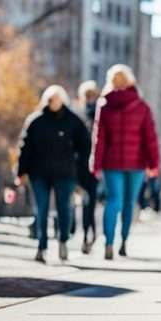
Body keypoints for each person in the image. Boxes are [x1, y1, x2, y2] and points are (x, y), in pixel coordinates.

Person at [91, 65, 160, 260]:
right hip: (137, 163)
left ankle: (109, 242)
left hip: (111, 163)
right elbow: (150, 138)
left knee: (113, 201)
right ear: (130, 81)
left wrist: (95, 164)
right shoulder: (142, 106)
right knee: (130, 202)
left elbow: (99, 138)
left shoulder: (104, 105)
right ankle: (123, 242)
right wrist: (154, 164)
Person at [16, 85, 91, 264]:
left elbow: (85, 146)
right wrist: (21, 172)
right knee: (40, 210)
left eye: (56, 99)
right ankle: (41, 247)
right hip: (39, 173)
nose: (53, 103)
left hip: (65, 173)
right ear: (45, 101)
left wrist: (81, 170)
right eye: (50, 99)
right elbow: (25, 147)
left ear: (63, 100)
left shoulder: (73, 121)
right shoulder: (35, 121)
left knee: (64, 208)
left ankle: (63, 240)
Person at [75, 80, 100, 254]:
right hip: (79, 163)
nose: (90, 99)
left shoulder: (100, 114)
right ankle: (84, 233)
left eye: (92, 95)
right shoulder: (77, 114)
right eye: (87, 95)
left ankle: (88, 234)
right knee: (82, 201)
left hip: (94, 164)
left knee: (89, 202)